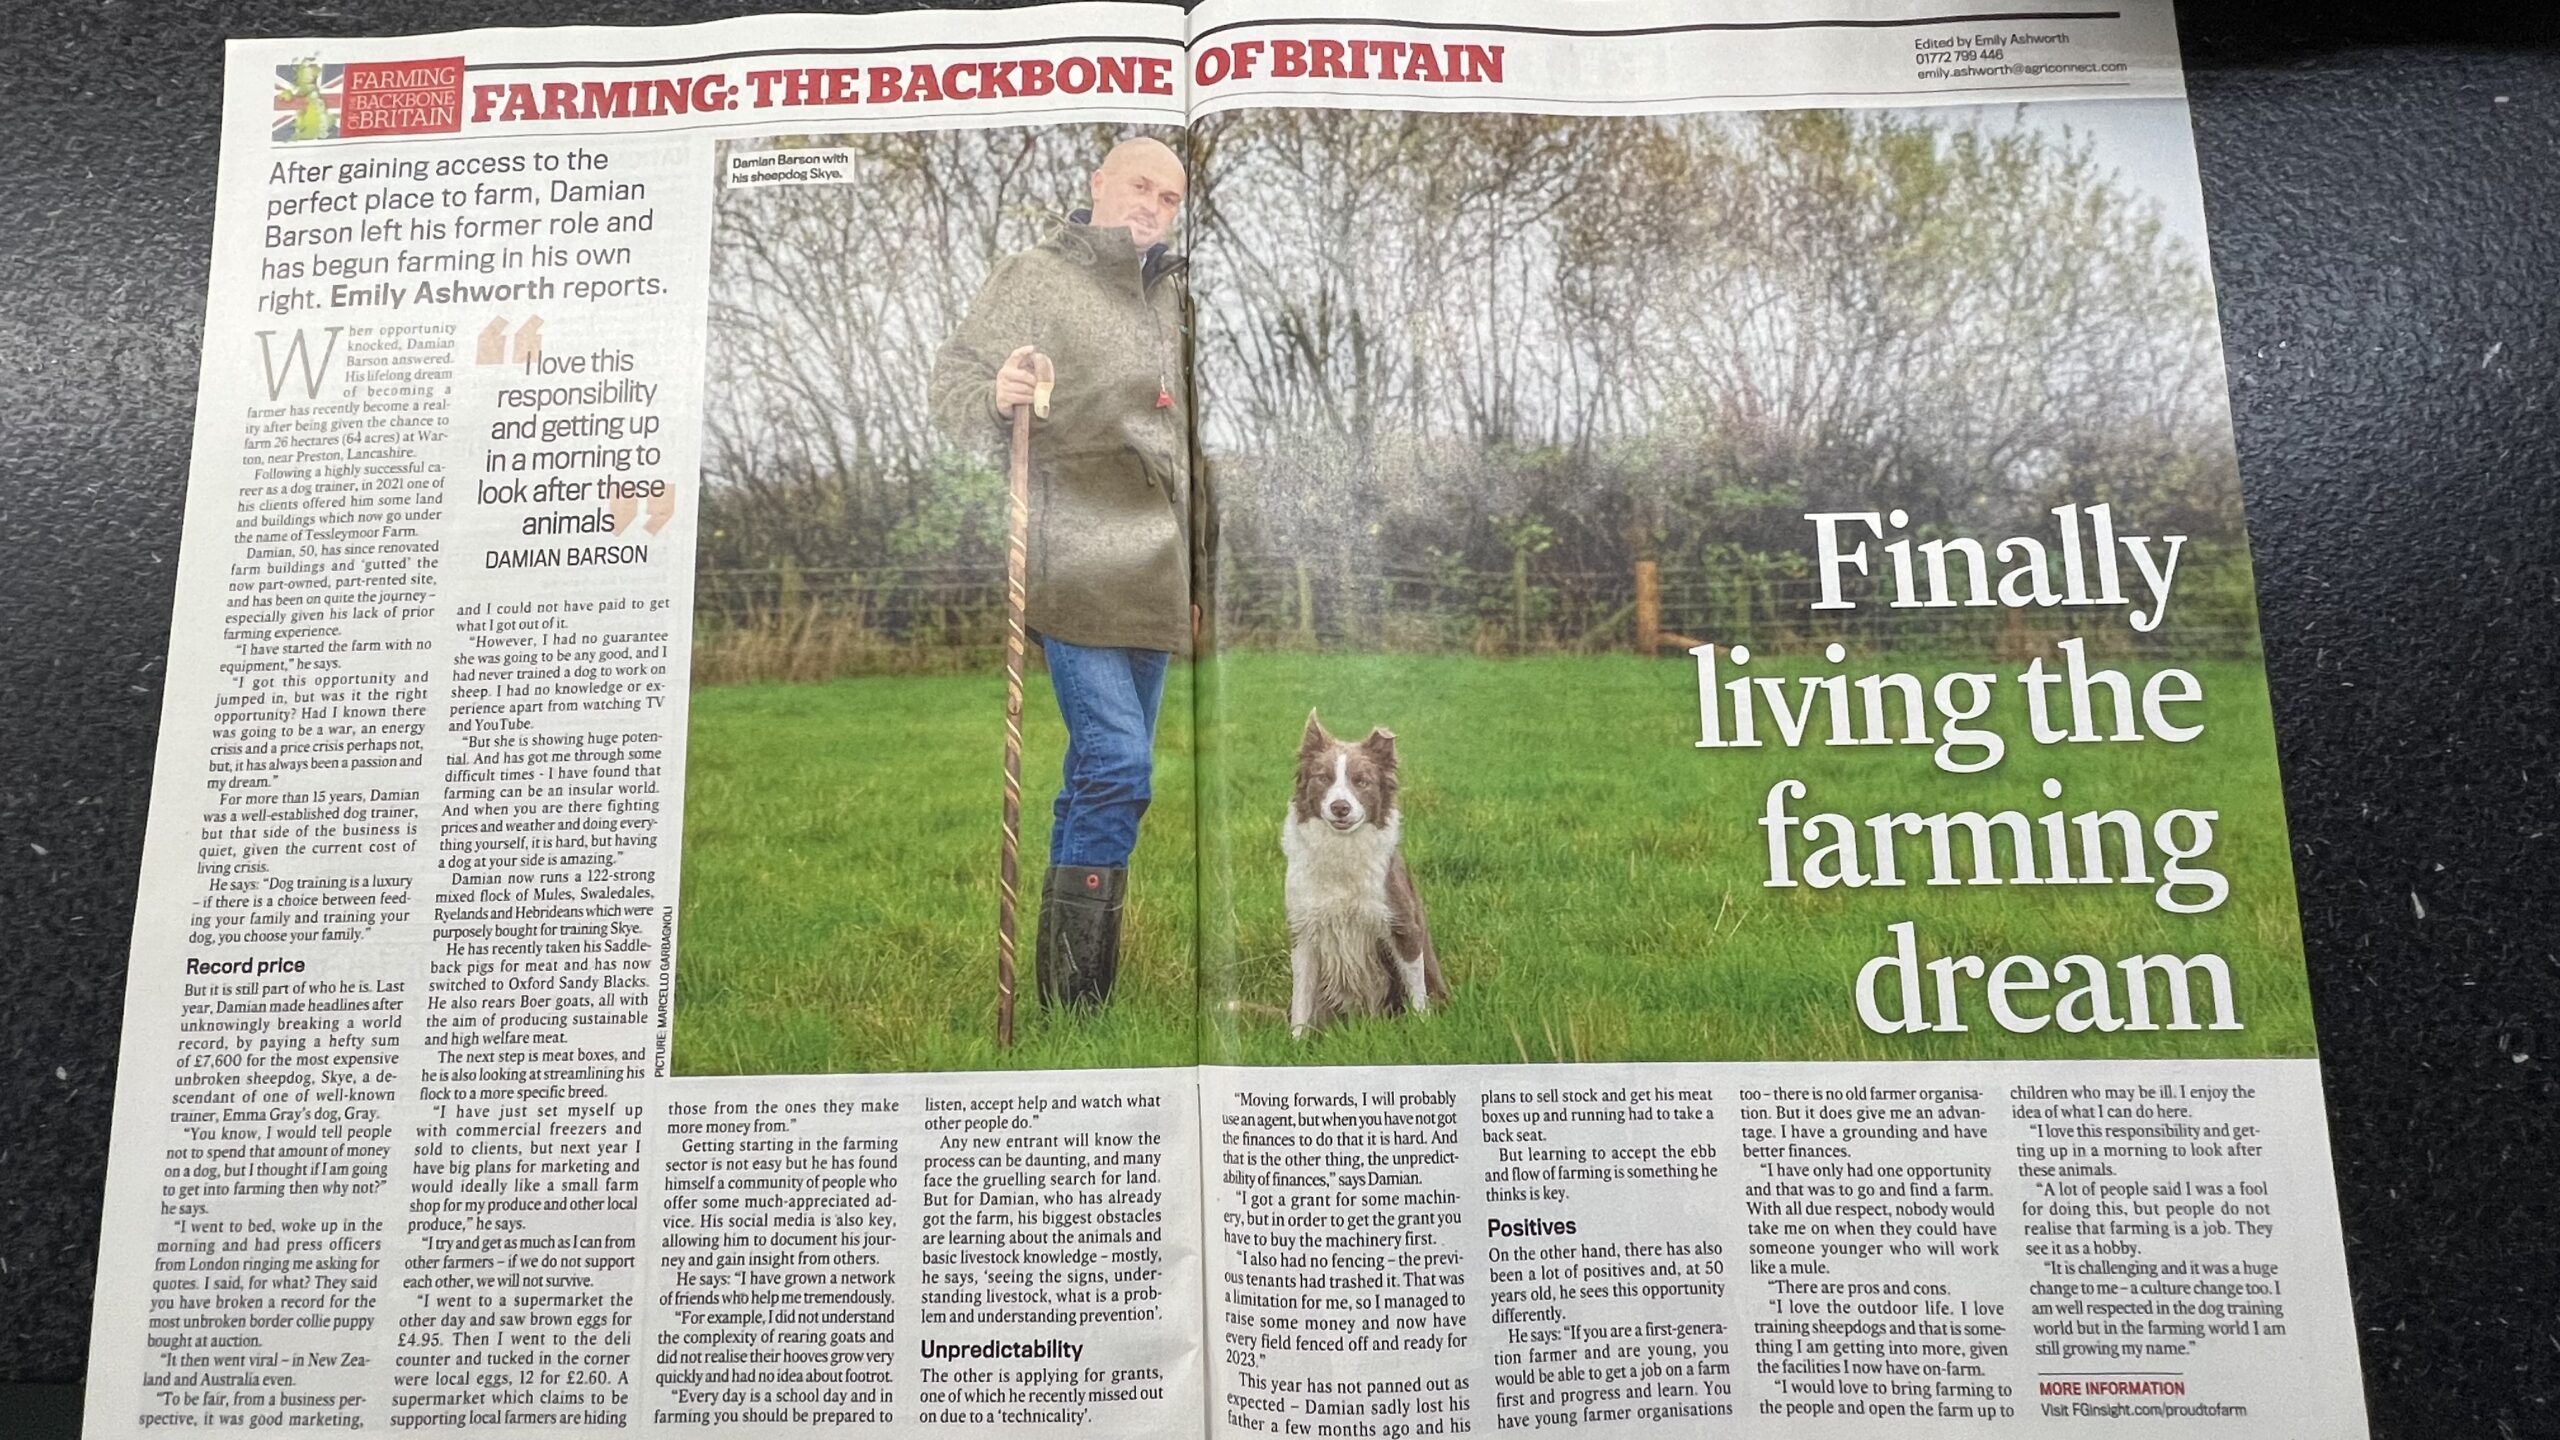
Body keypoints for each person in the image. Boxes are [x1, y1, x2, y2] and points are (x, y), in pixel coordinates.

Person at [929, 135, 1198, 1011]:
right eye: (1138, 187)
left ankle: (1069, 1005)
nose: (1151, 206)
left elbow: (1189, 447)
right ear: (1098, 186)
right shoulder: (1035, 273)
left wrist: (1198, 578)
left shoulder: (1174, 300)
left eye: (1168, 196)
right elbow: (953, 385)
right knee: (1122, 765)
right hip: (1071, 546)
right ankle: (1080, 1008)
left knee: (1100, 774)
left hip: (1155, 564)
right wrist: (994, 392)